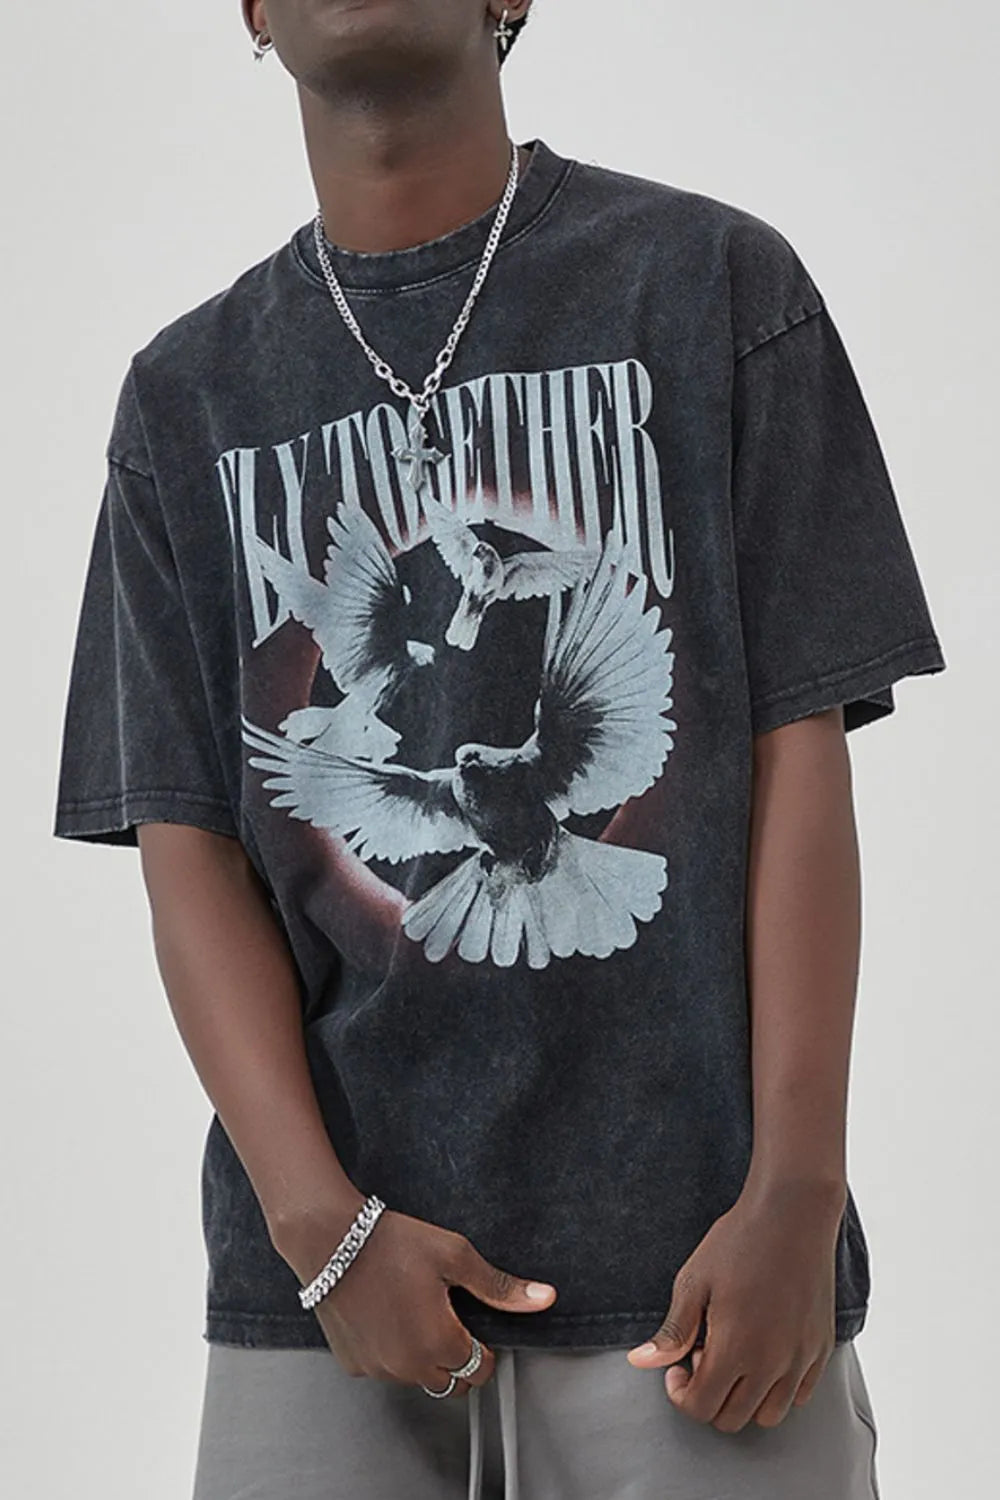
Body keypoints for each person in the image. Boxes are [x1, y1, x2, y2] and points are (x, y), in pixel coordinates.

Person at [52, 2, 946, 1496]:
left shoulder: (713, 288)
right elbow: (186, 841)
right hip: (328, 1310)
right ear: (252, 10)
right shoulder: (185, 397)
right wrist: (320, 1231)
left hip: (703, 1286)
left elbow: (803, 760)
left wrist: (797, 1194)